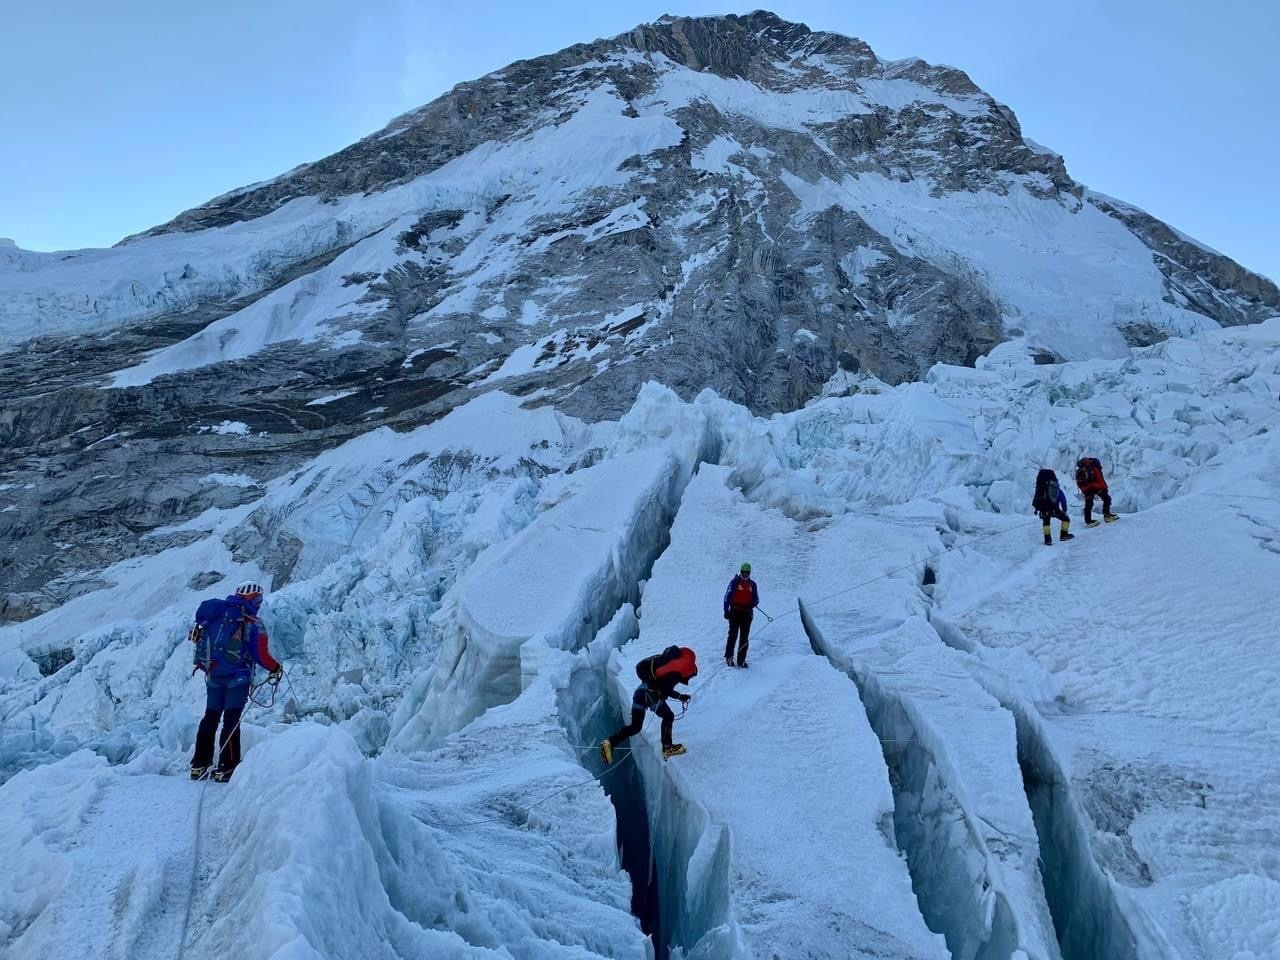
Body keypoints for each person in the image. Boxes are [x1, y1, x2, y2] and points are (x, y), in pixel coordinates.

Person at [189, 581, 282, 782]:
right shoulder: (252, 622)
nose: (259, 602)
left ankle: (199, 765)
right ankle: (226, 767)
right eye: (258, 599)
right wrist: (275, 668)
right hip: (237, 678)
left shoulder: (216, 614)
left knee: (210, 718)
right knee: (231, 721)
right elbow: (260, 655)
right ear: (252, 599)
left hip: (213, 675)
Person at [601, 646, 698, 763]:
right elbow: (666, 689)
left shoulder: (662, 664)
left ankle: (610, 742)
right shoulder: (673, 673)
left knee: (635, 727)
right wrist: (679, 696)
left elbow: (663, 688)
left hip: (640, 694)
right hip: (649, 696)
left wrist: (679, 696)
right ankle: (668, 748)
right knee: (668, 716)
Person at [723, 562, 760, 667]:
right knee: (732, 635)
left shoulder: (752, 584)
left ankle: (741, 660)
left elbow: (756, 599)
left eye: (747, 572)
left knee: (744, 637)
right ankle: (729, 657)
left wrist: (753, 603)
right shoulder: (734, 582)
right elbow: (727, 597)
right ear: (740, 571)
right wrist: (726, 611)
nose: (744, 574)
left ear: (750, 573)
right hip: (735, 612)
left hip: (747, 613)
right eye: (743, 572)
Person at [1031, 468, 1074, 546]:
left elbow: (1036, 496)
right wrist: (1064, 510)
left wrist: (1037, 507)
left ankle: (1048, 540)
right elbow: (1063, 500)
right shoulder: (1056, 488)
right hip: (1053, 508)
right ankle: (1064, 535)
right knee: (1066, 519)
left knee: (1046, 522)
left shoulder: (1040, 487)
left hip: (1043, 507)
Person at [1074, 457, 1117, 527]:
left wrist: (1084, 489)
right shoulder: (1094, 468)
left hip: (1090, 488)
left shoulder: (1090, 468)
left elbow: (1079, 482)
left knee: (1089, 504)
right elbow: (1099, 479)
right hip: (1095, 488)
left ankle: (1089, 521)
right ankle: (1106, 515)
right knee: (1106, 499)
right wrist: (1104, 487)